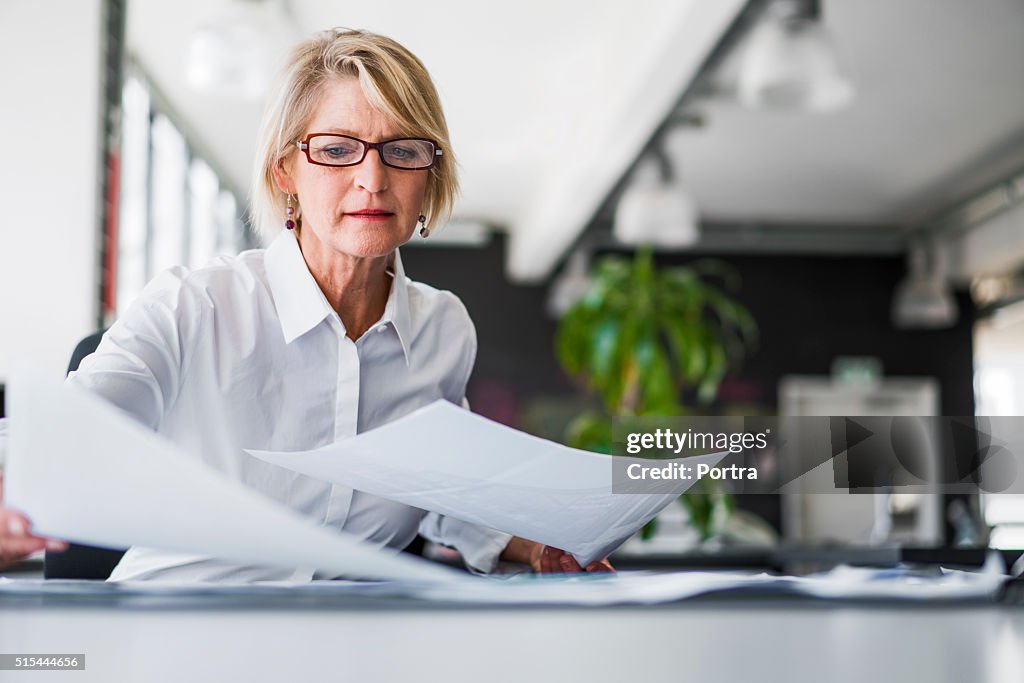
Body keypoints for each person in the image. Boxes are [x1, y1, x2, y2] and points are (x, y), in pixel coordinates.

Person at [0, 29, 612, 579]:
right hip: (184, 630)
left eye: (402, 150)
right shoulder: (195, 307)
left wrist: (532, 545)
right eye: (339, 149)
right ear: (285, 171)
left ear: (430, 173)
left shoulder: (441, 330)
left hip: (352, 644)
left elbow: (434, 489)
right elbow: (59, 435)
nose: (373, 180)